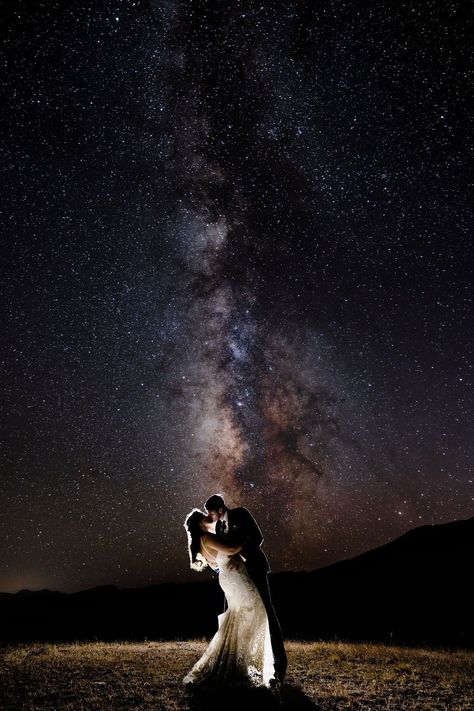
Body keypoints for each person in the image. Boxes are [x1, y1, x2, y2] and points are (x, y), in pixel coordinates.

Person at [182, 508, 276, 687]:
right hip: (235, 577)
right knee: (256, 609)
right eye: (205, 518)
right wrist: (246, 539)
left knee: (239, 615)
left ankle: (238, 661)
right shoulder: (207, 538)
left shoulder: (202, 541)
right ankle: (238, 661)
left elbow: (218, 560)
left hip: (228, 576)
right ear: (201, 523)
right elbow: (232, 548)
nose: (209, 519)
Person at [204, 494, 287, 683]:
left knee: (267, 612)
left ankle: (279, 667)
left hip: (254, 568)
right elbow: (223, 549)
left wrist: (237, 555)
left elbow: (258, 537)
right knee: (232, 614)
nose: (211, 517)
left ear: (220, 509)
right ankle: (234, 665)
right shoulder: (218, 527)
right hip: (236, 577)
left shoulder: (241, 514)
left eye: (212, 513)